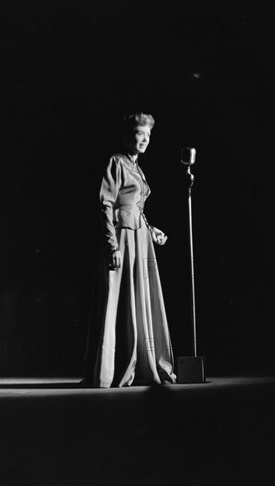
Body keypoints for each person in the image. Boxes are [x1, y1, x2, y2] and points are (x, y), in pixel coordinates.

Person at [82, 113, 177, 387]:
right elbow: (106, 205)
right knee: (119, 298)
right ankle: (113, 367)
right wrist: (112, 245)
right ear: (127, 136)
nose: (146, 139)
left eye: (149, 135)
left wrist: (151, 229)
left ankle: (141, 361)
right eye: (140, 133)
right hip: (122, 239)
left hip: (140, 239)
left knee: (138, 299)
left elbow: (137, 208)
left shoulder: (137, 168)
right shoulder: (116, 162)